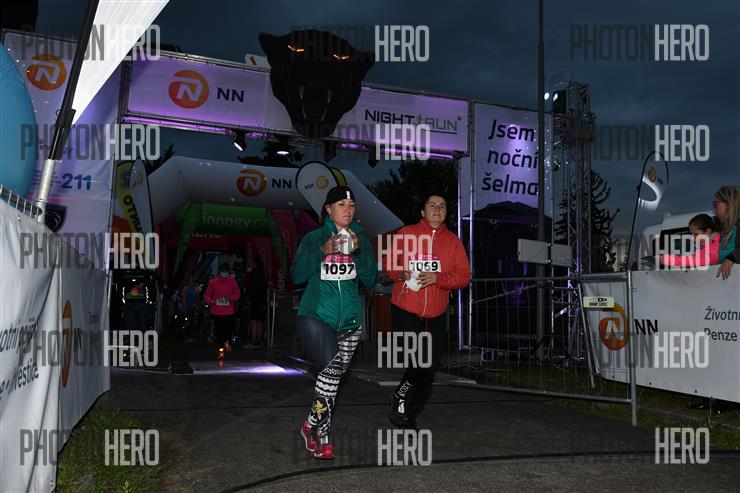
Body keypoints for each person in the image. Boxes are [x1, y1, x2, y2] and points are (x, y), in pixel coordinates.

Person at [291, 186, 378, 459]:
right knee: (330, 373)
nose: (347, 210)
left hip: (350, 322)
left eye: (351, 206)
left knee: (331, 380)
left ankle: (310, 425)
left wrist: (359, 253)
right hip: (316, 316)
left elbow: (371, 280)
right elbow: (296, 275)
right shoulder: (314, 237)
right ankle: (324, 432)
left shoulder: (360, 239)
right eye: (341, 204)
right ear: (328, 209)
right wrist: (322, 251)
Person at [384, 192, 471, 429]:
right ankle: (400, 398)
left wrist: (438, 278)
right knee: (418, 361)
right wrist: (400, 273)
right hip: (406, 308)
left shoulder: (453, 241)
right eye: (432, 205)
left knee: (428, 369)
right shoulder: (406, 233)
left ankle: (409, 413)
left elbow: (464, 276)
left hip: (436, 313)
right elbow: (389, 265)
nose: (437, 209)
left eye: (442, 206)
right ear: (423, 211)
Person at [203, 263, 241, 361]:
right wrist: (210, 301)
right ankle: (221, 352)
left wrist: (231, 298)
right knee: (219, 332)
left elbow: (237, 294)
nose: (225, 273)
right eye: (223, 271)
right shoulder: (213, 282)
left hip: (229, 312)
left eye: (227, 271)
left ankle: (226, 343)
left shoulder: (232, 281)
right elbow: (206, 295)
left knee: (227, 331)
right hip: (216, 312)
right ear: (220, 272)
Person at [713, 186, 740, 280]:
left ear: (728, 205)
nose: (713, 207)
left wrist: (732, 258)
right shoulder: (721, 229)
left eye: (716, 203)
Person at [180, 278, 200, 343]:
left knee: (193, 323)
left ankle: (191, 337)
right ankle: (186, 337)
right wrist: (184, 308)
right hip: (188, 309)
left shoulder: (195, 289)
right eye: (191, 281)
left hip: (193, 309)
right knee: (187, 323)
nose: (193, 283)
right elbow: (184, 299)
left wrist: (198, 307)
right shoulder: (186, 289)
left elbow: (197, 299)